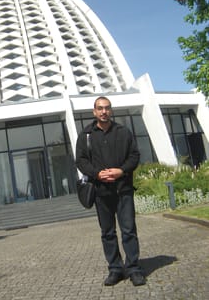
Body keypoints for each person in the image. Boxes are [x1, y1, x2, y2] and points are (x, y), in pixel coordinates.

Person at [75, 96, 146, 286]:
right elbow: (81, 160)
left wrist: (121, 171)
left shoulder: (123, 132)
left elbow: (135, 155)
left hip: (123, 189)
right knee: (107, 233)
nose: (103, 111)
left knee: (129, 230)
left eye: (107, 108)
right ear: (94, 111)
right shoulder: (86, 135)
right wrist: (97, 174)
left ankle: (133, 269)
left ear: (111, 110)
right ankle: (115, 269)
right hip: (101, 192)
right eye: (100, 108)